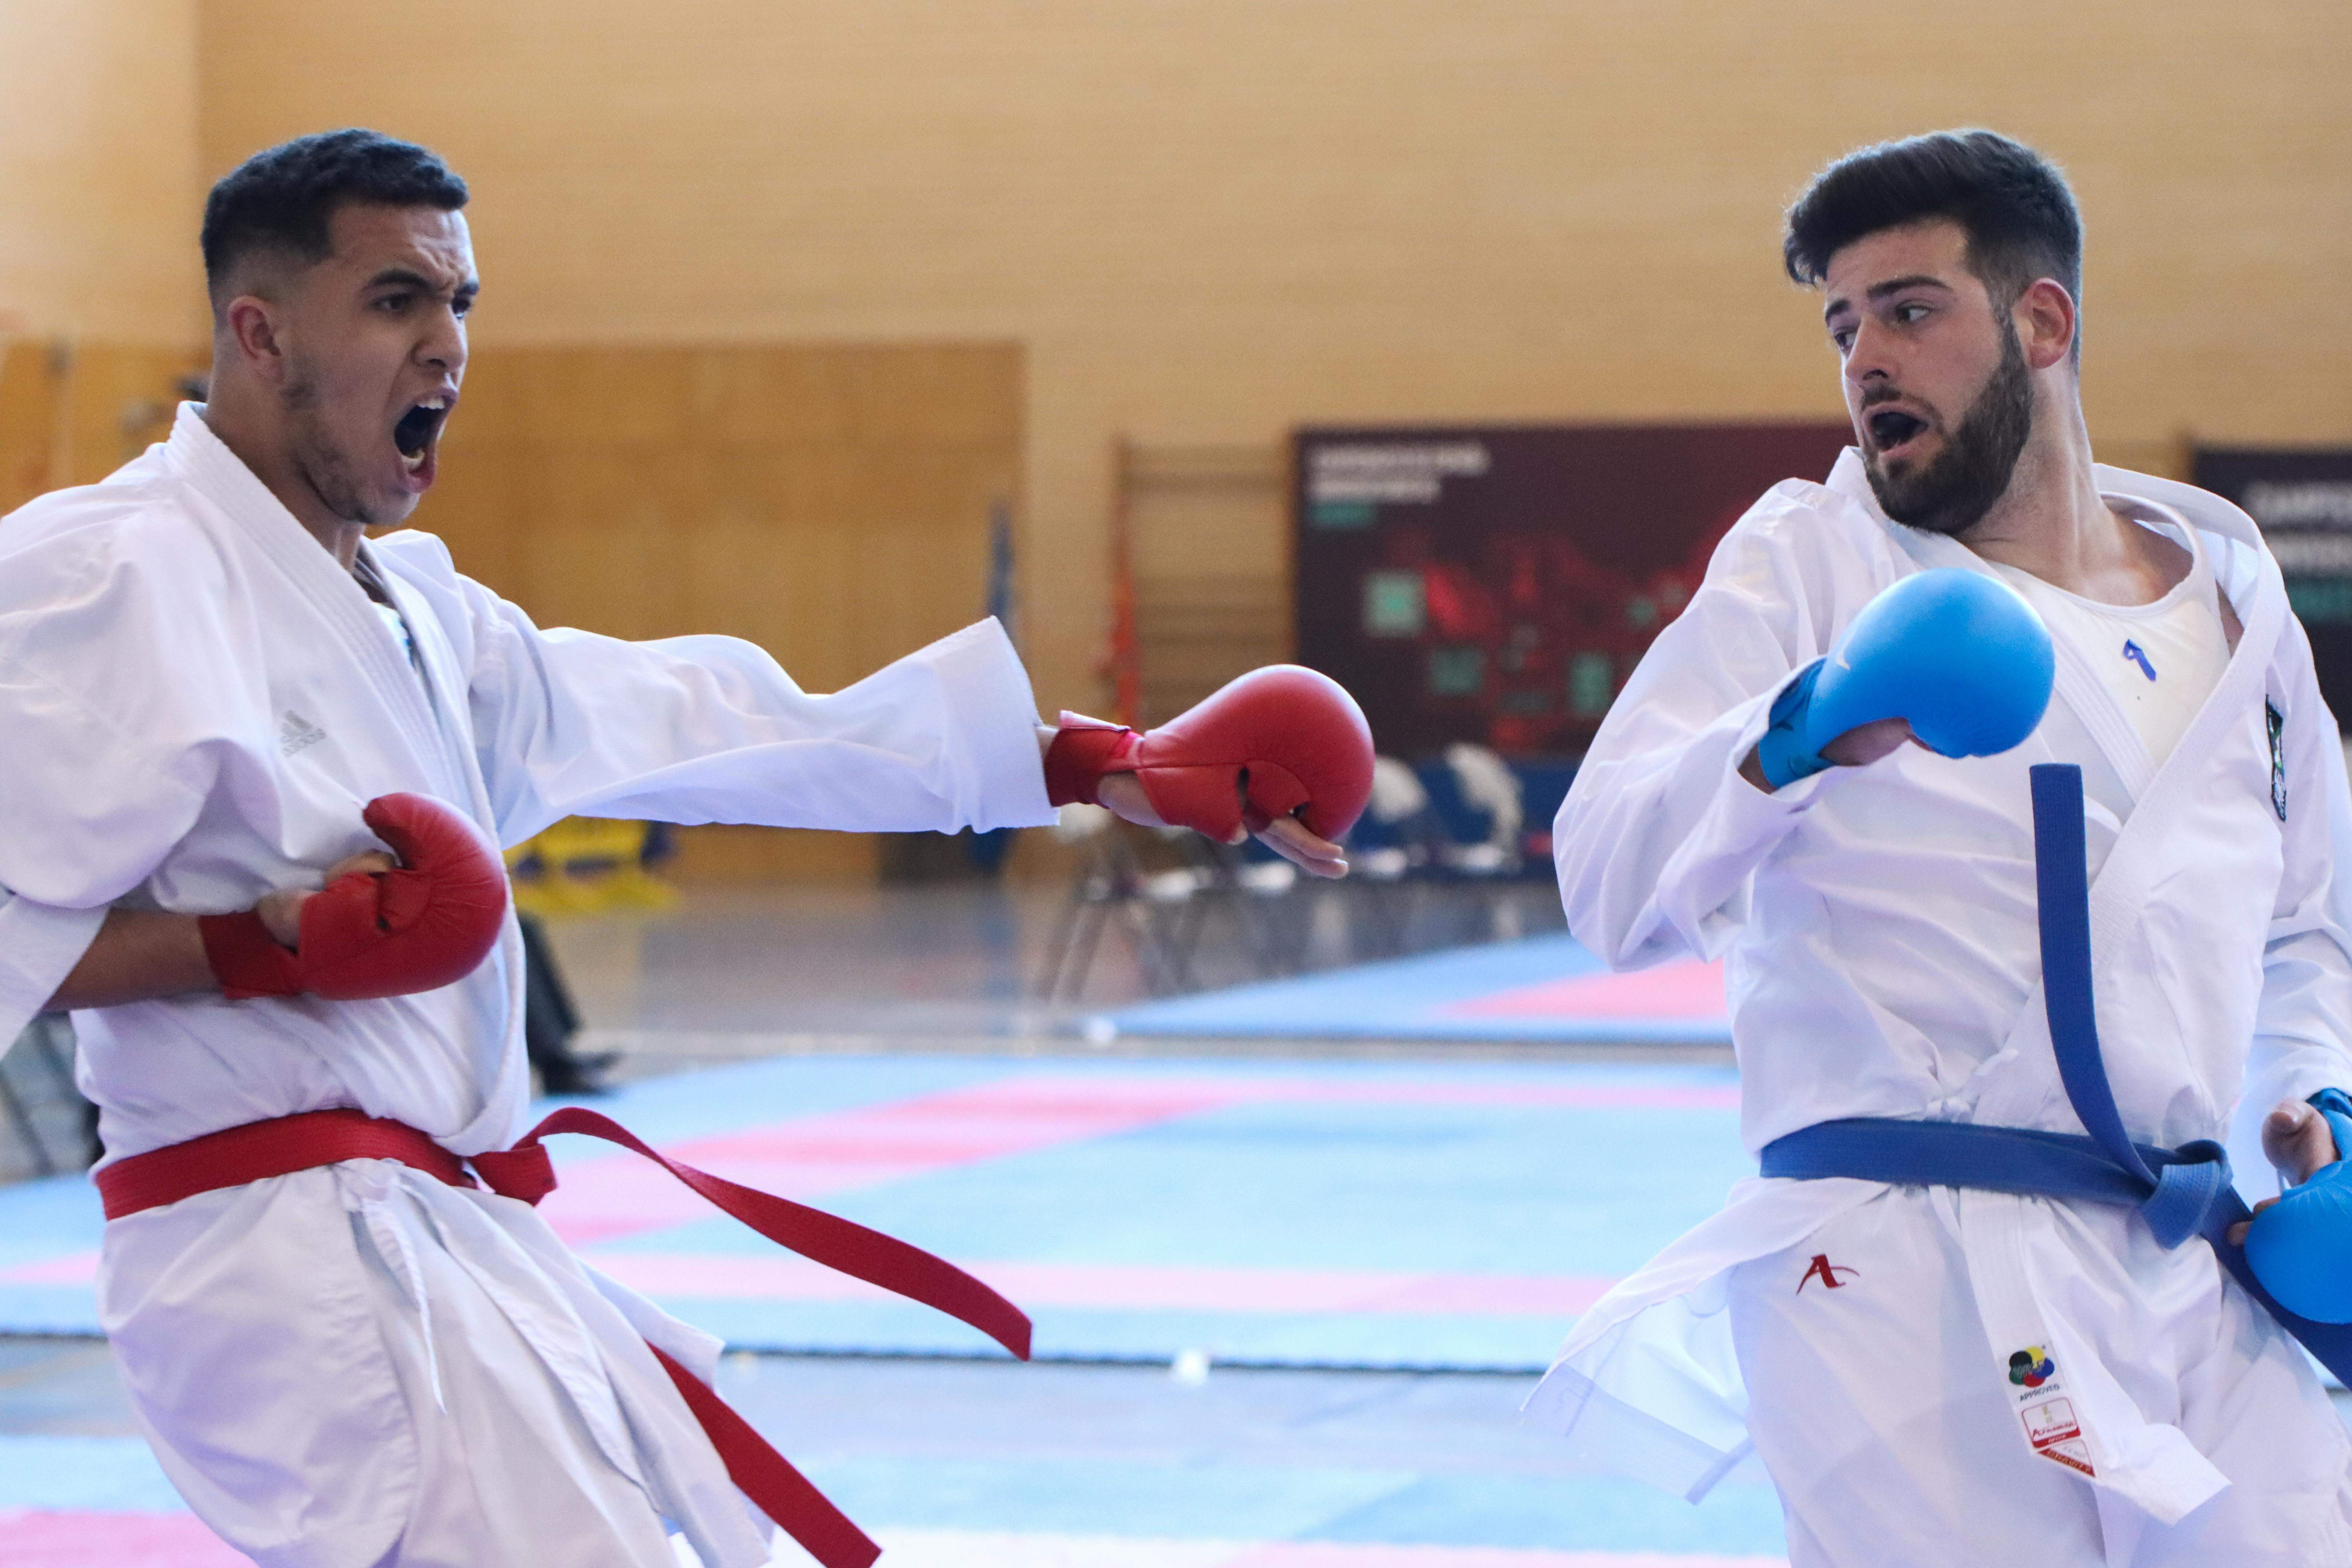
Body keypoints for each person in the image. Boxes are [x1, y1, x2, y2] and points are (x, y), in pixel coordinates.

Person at [0, 128, 1358, 1568]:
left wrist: (1078, 764)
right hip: (278, 1260)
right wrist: (264, 946)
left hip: (430, 1238)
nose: (448, 346)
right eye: (398, 301)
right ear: (259, 334)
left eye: (462, 306)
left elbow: (702, 722)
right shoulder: (106, 576)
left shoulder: (418, 614)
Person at [1524, 130, 2352, 1565]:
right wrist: (1797, 734)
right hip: (1895, 1265)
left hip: (2183, 1262)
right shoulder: (1813, 562)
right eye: (1843, 327)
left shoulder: (2240, 612)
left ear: (2042, 323)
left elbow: (2302, 927)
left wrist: (2319, 1111)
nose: (1864, 362)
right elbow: (1601, 875)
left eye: (1909, 310)